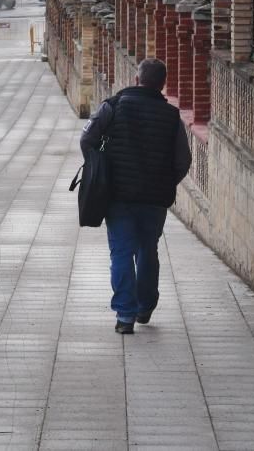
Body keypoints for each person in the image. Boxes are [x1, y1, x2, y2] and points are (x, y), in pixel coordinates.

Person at [80, 58, 192, 335]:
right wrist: (166, 182)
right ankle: (145, 306)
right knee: (147, 250)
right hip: (154, 199)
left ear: (136, 79)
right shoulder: (172, 117)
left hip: (118, 196)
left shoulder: (113, 106)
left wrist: (99, 170)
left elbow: (87, 139)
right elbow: (183, 161)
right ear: (162, 84)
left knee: (121, 252)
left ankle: (125, 316)